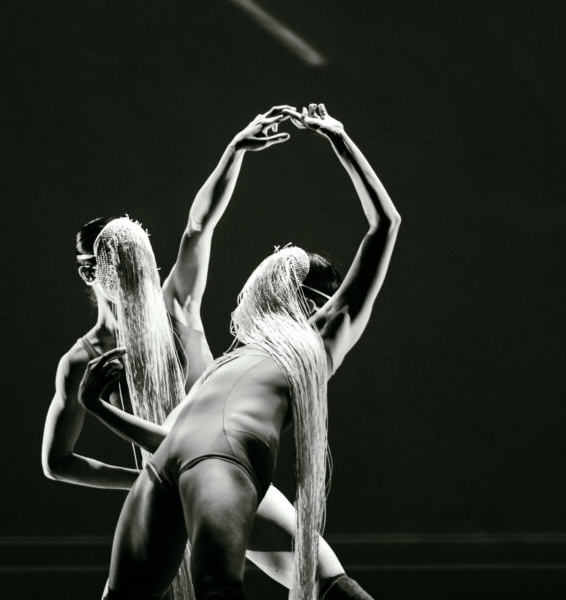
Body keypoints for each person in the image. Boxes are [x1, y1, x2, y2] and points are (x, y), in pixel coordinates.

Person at [42, 106, 376, 599]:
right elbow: (58, 461)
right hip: (167, 476)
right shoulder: (81, 361)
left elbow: (199, 226)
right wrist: (144, 475)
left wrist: (234, 151)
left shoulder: (174, 303)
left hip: (218, 466)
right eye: (112, 259)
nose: (131, 266)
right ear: (89, 272)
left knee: (325, 577)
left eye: (134, 252)